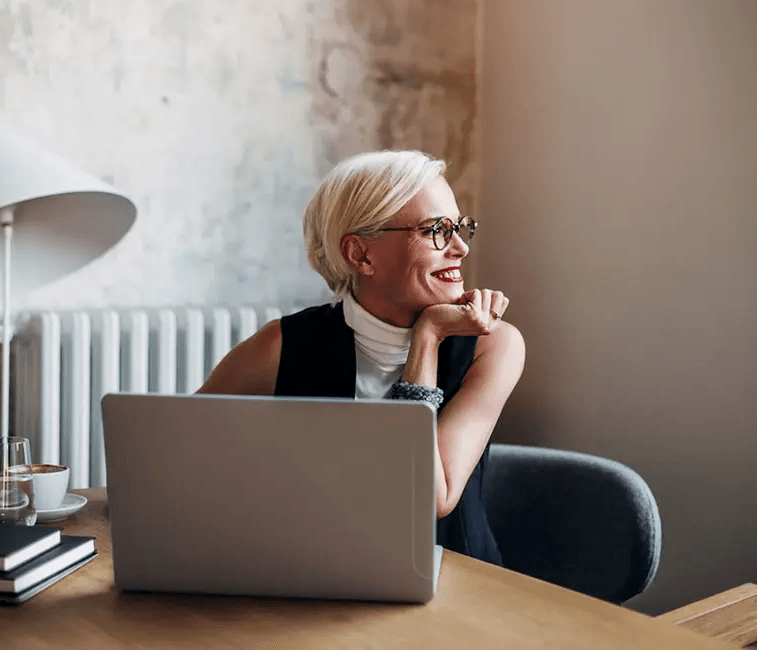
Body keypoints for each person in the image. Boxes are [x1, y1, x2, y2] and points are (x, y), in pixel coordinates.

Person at [199, 150, 525, 565]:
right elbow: (179, 456)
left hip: (455, 590)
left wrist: (428, 337)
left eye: (460, 228)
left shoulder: (494, 346)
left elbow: (431, 497)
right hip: (312, 579)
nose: (460, 248)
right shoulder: (281, 346)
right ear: (361, 255)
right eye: (436, 231)